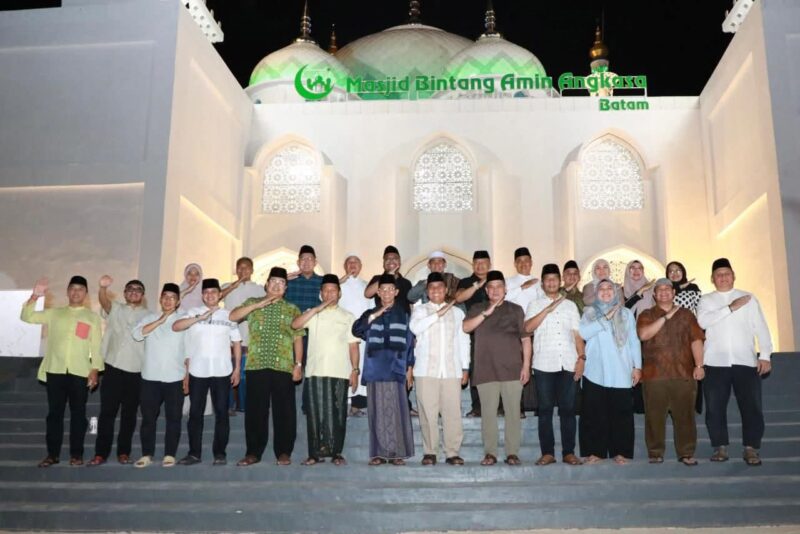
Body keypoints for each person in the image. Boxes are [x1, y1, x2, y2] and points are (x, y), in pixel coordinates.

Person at [21, 276, 103, 467]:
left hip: (80, 371)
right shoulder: (54, 313)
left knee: (78, 414)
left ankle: (76, 454)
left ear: (85, 294)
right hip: (55, 369)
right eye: (72, 289)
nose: (76, 292)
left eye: (80, 289)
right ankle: (52, 455)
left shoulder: (92, 318)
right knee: (54, 414)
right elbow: (27, 316)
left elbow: (96, 346)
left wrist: (95, 370)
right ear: (67, 292)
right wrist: (35, 296)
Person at [697, 258, 773, 466]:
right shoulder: (706, 300)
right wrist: (730, 308)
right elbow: (703, 322)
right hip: (714, 361)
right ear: (712, 279)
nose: (723, 277)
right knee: (715, 408)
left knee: (751, 407)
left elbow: (761, 327)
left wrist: (765, 354)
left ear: (734, 275)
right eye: (718, 274)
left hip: (745, 361)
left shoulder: (748, 298)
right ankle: (720, 447)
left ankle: (751, 448)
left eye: (727, 273)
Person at [230, 267, 304, 467]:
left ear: (286, 287)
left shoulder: (292, 309)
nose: (277, 285)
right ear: (267, 284)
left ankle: (283, 452)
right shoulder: (253, 303)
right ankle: (253, 452)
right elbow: (233, 316)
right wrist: (258, 305)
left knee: (285, 411)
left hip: (283, 366)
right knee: (255, 411)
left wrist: (298, 364)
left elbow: (298, 338)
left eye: (281, 283)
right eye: (273, 282)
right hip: (256, 364)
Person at [463, 270, 531, 466]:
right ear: (486, 290)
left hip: (512, 370)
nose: (495, 290)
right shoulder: (478, 307)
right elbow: (466, 328)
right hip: (486, 371)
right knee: (488, 415)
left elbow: (526, 339)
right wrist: (486, 313)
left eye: (499, 287)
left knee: (513, 414)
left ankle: (512, 453)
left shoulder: (516, 310)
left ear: (505, 289)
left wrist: (526, 366)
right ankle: (490, 453)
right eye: (491, 287)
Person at [292, 274, 360, 466]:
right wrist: (317, 308)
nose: (330, 293)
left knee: (338, 414)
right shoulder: (313, 313)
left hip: (340, 371)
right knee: (315, 414)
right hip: (315, 371)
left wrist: (355, 370)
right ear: (320, 293)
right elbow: (295, 324)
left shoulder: (348, 316)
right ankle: (314, 453)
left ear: (339, 293)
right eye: (326, 290)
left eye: (333, 290)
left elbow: (353, 345)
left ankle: (336, 452)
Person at [172, 279, 241, 466]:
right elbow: (176, 326)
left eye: (214, 292)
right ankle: (194, 453)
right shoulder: (193, 313)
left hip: (222, 371)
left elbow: (236, 342)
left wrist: (237, 368)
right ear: (202, 295)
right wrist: (199, 318)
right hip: (197, 371)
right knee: (195, 413)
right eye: (206, 292)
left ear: (220, 294)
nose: (210, 295)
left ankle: (220, 453)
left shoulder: (229, 315)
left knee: (222, 413)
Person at [637, 278, 705, 466]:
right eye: (660, 290)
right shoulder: (647, 314)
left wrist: (699, 365)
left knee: (685, 417)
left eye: (668, 289)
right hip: (654, 375)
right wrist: (665, 318)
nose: (664, 292)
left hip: (683, 374)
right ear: (654, 294)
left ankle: (686, 452)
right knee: (654, 417)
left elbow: (696, 340)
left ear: (674, 293)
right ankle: (655, 452)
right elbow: (644, 335)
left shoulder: (686, 315)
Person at [524, 264, 585, 466]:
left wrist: (581, 358)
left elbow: (577, 335)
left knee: (568, 409)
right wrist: (547, 309)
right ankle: (548, 453)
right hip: (543, 364)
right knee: (545, 410)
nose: (551, 282)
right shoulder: (534, 304)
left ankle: (569, 452)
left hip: (568, 362)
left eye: (554, 279)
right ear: (542, 284)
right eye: (547, 279)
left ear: (560, 281)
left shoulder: (570, 306)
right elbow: (527, 328)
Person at [352, 274, 415, 466]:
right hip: (375, 368)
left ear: (396, 292)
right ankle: (378, 453)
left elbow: (410, 343)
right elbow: (356, 330)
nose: (386, 293)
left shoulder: (404, 315)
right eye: (383, 290)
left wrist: (409, 368)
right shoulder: (369, 314)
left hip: (396, 368)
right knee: (376, 411)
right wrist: (375, 314)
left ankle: (397, 453)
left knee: (397, 411)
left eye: (390, 290)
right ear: (378, 293)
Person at [87, 277, 150, 467]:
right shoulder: (115, 308)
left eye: (138, 289)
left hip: (136, 370)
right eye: (130, 288)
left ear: (143, 295)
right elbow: (104, 301)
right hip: (113, 367)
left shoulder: (150, 315)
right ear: (124, 293)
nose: (134, 291)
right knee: (107, 412)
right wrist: (103, 287)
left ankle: (124, 452)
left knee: (129, 415)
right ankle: (101, 453)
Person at [578, 278, 642, 465]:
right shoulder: (589, 312)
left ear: (615, 292)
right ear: (596, 293)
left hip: (621, 370)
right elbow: (583, 334)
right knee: (594, 413)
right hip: (595, 371)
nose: (606, 292)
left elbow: (633, 341)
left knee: (621, 414)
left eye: (609, 289)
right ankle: (594, 452)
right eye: (601, 289)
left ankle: (621, 452)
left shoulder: (626, 313)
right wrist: (605, 319)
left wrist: (637, 366)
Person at [409, 272, 470, 466]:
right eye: (432, 288)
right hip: (426, 370)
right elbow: (415, 329)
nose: (436, 291)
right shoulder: (420, 311)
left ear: (446, 290)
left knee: (452, 412)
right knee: (428, 413)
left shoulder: (458, 312)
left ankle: (452, 452)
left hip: (451, 370)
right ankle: (430, 451)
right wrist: (438, 314)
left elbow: (463, 341)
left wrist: (465, 367)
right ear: (427, 291)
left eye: (439, 287)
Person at [131, 283, 187, 468]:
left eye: (172, 297)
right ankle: (147, 454)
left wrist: (187, 377)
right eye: (165, 296)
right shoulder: (150, 318)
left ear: (178, 302)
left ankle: (170, 454)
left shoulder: (183, 321)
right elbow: (137, 334)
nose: (168, 300)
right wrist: (161, 320)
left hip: (175, 377)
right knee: (148, 418)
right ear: (160, 299)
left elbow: (189, 351)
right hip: (150, 378)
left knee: (174, 418)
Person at [221, 257, 266, 414]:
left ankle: (243, 405)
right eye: (240, 268)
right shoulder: (227, 286)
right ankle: (229, 405)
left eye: (246, 268)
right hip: (228, 337)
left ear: (252, 270)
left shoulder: (259, 289)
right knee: (228, 371)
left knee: (245, 374)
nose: (243, 271)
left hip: (250, 336)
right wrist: (235, 285)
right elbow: (218, 296)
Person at [455, 250, 492, 417]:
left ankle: (497, 406)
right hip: (473, 331)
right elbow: (459, 298)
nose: (480, 266)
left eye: (484, 263)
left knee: (495, 367)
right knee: (475, 369)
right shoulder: (466, 281)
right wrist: (478, 284)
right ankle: (477, 406)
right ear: (472, 264)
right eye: (477, 263)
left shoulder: (497, 279)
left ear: (489, 264)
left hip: (496, 331)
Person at [339, 253, 371, 416]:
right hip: (343, 333)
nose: (352, 265)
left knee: (360, 367)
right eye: (349, 262)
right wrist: (343, 279)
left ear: (361, 266)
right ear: (345, 266)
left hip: (362, 334)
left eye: (356, 262)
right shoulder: (339, 285)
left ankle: (357, 405)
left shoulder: (367, 286)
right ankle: (344, 403)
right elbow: (323, 296)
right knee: (344, 366)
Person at [365, 245, 413, 314]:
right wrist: (387, 275)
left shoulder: (406, 282)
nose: (391, 261)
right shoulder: (377, 278)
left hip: (402, 322)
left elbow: (410, 305)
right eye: (387, 259)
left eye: (394, 258)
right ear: (383, 263)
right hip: (382, 320)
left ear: (399, 262)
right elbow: (367, 294)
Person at [505, 247, 543, 314]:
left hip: (533, 320)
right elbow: (503, 298)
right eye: (519, 261)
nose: (523, 264)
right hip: (514, 321)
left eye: (526, 260)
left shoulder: (538, 282)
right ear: (515, 264)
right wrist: (522, 287)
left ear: (531, 263)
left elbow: (542, 301)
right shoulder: (508, 281)